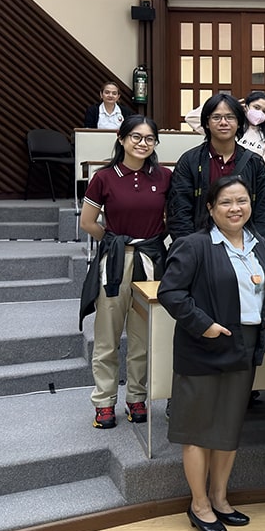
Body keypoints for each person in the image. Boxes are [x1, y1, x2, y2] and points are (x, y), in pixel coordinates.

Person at [158, 175, 265, 531]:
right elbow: (171, 293)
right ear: (210, 208)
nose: (235, 208)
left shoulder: (257, 244)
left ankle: (220, 497)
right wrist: (205, 325)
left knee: (228, 425)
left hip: (244, 345)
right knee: (197, 429)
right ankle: (199, 504)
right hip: (205, 344)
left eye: (241, 201)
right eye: (226, 202)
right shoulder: (194, 245)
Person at [77, 115, 172, 429]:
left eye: (149, 138)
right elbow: (88, 222)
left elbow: (171, 219)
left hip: (152, 260)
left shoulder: (164, 176)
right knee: (107, 334)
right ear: (121, 138)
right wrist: (115, 242)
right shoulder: (104, 177)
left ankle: (136, 397)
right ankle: (104, 401)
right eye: (136, 137)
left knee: (142, 335)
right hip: (116, 261)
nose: (142, 143)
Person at [167, 93, 265, 244]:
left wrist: (255, 247)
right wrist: (191, 249)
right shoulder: (189, 161)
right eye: (216, 117)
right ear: (206, 123)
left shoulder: (255, 163)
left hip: (244, 249)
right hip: (199, 248)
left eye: (230, 117)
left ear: (239, 122)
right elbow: (179, 211)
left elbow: (264, 212)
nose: (223, 122)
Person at [184, 90, 265, 176]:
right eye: (256, 107)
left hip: (245, 183)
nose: (260, 113)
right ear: (246, 106)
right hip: (216, 174)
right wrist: (226, 108)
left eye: (264, 111)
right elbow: (190, 118)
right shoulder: (229, 127)